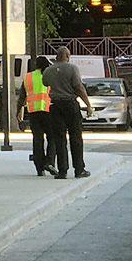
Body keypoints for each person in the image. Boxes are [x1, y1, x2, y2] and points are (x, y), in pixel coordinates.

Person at [42, 48, 93, 179]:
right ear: (68, 56)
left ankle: (62, 170)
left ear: (56, 56)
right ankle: (79, 169)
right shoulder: (72, 68)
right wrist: (87, 104)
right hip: (70, 104)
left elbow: (45, 82)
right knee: (75, 136)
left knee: (59, 138)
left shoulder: (48, 70)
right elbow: (79, 87)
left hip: (55, 105)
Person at [17, 56, 59, 177]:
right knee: (52, 138)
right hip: (48, 110)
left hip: (33, 112)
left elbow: (21, 96)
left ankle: (39, 168)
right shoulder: (50, 76)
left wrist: (18, 111)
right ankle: (49, 161)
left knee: (37, 140)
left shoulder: (28, 77)